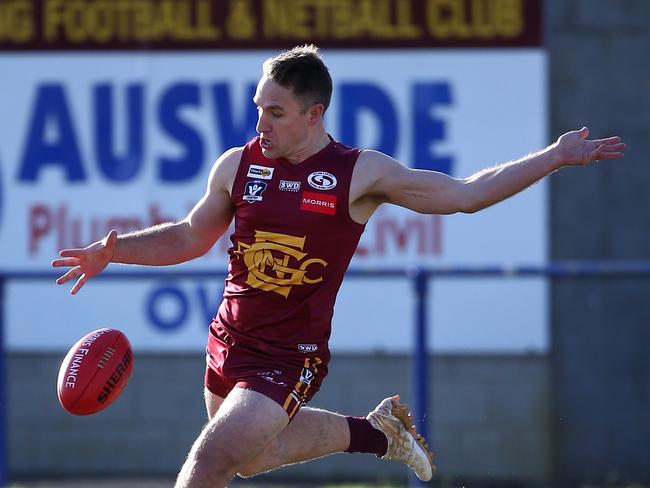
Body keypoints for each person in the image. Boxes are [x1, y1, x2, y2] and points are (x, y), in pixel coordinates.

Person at [52, 45, 625, 488]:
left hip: (288, 356)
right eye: (258, 110)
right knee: (254, 459)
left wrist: (553, 157)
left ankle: (372, 433)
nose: (261, 125)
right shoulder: (238, 166)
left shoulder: (358, 174)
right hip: (228, 344)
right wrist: (114, 249)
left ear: (314, 113)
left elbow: (464, 194)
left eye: (276, 113)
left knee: (209, 462)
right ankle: (376, 434)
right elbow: (189, 236)